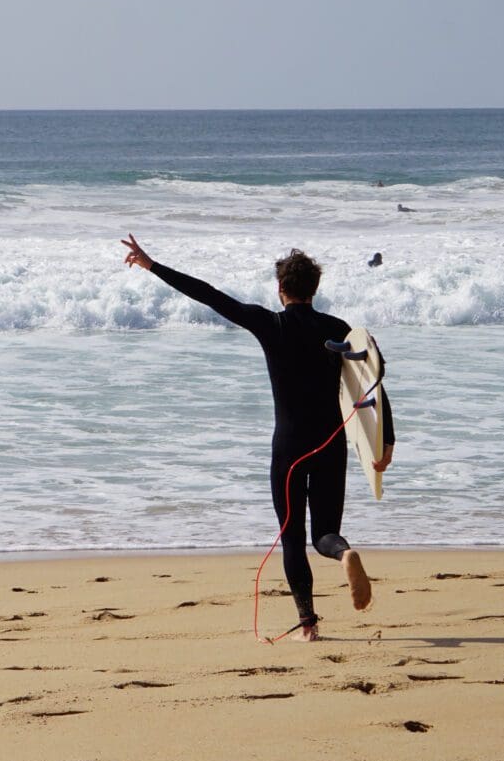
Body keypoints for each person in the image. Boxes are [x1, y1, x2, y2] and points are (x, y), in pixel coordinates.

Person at [120, 235, 395, 641]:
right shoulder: (339, 330)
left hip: (290, 447)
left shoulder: (271, 325)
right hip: (330, 445)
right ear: (315, 288)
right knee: (323, 533)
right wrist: (386, 442)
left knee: (292, 538)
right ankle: (343, 552)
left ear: (280, 288)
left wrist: (152, 265)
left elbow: (210, 295)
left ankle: (309, 625)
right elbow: (373, 381)